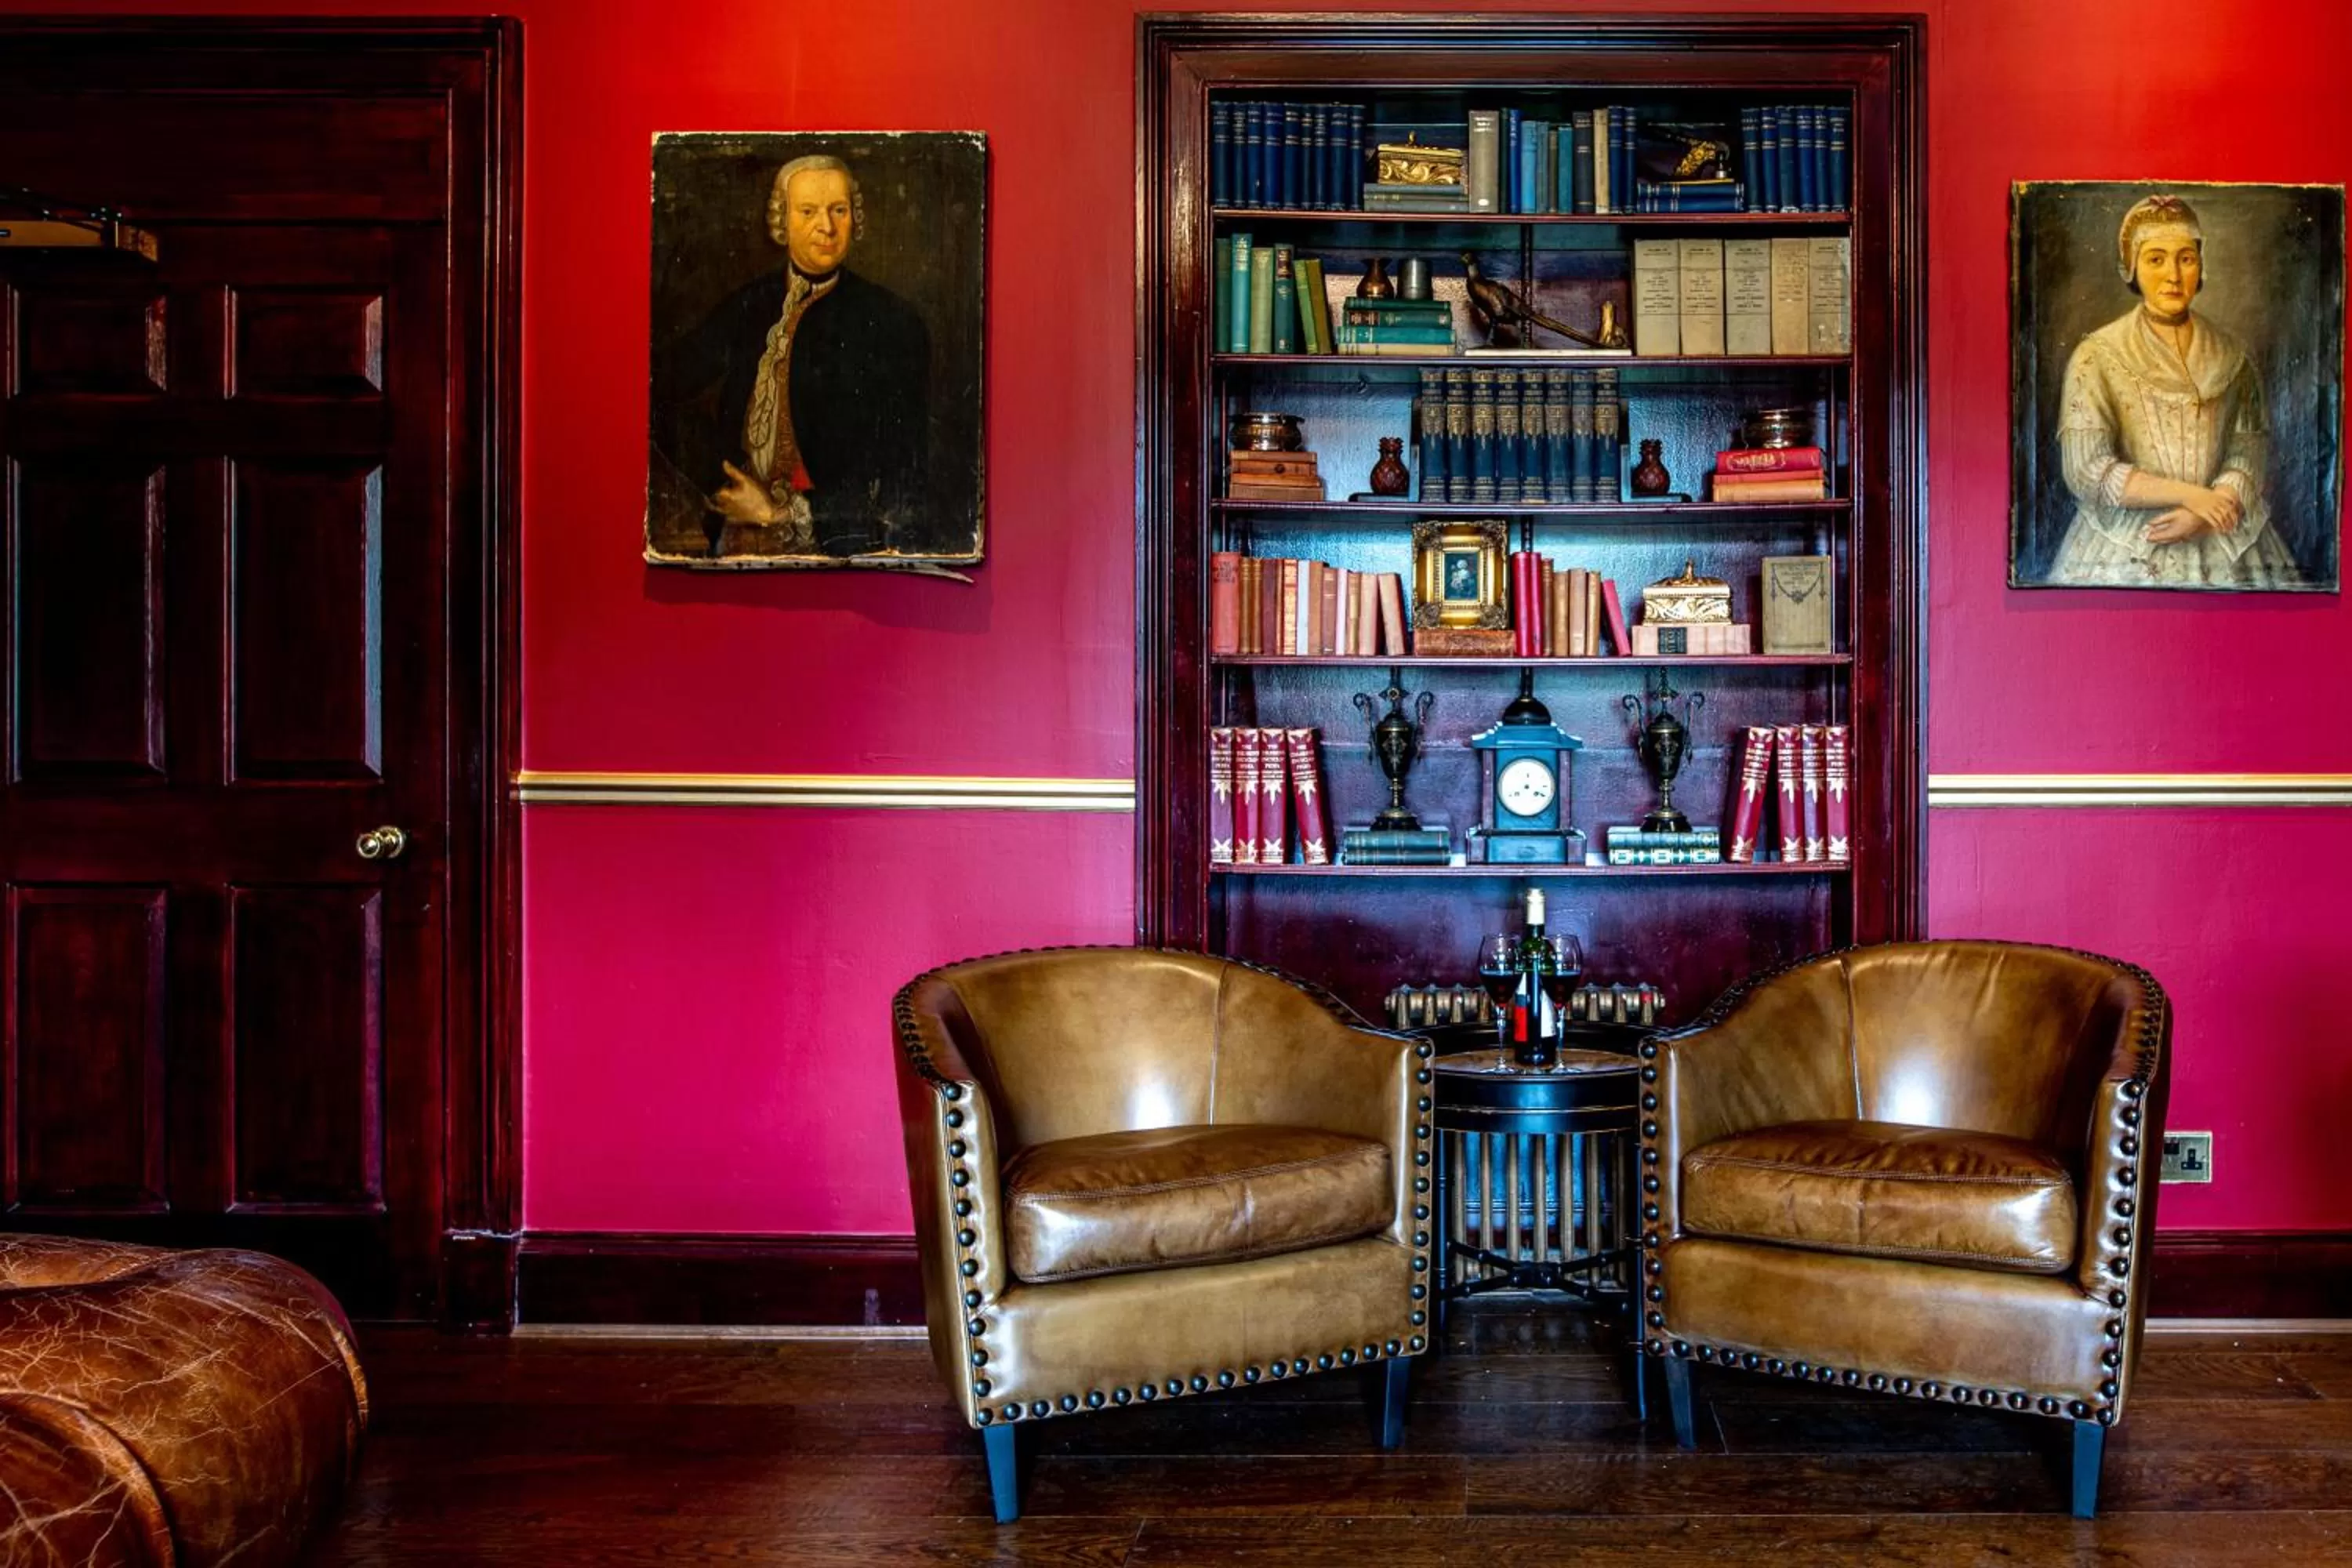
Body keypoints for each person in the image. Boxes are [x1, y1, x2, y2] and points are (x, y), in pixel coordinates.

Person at [654, 154, 931, 558]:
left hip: (838, 551)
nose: (827, 227)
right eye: (808, 211)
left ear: (855, 218)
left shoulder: (894, 323)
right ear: (783, 222)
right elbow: (655, 386)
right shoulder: (748, 306)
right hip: (735, 539)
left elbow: (900, 481)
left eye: (839, 210)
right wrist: (720, 482)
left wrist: (781, 515)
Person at [2047, 193, 2299, 586]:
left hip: (2220, 524)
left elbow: (2248, 452)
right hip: (2126, 541)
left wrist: (2208, 510)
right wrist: (2190, 495)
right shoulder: (2096, 356)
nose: (2173, 275)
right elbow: (2085, 469)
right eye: (2155, 259)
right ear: (2131, 267)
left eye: (2186, 258)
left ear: (2200, 266)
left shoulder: (2233, 355)